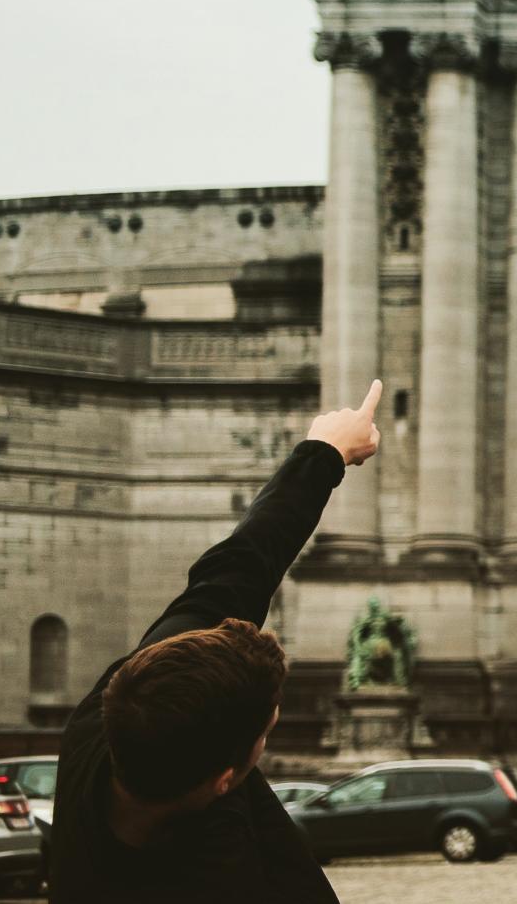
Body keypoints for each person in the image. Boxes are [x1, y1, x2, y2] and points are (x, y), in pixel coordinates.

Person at [48, 381, 384, 904]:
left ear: (129, 678)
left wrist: (325, 454)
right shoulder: (224, 876)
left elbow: (234, 573)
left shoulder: (106, 723)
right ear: (224, 782)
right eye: (265, 734)